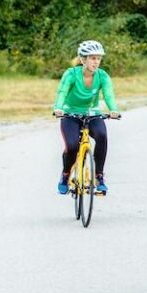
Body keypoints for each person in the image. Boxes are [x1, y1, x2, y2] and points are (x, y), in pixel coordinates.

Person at [52, 40, 121, 195]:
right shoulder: (71, 74)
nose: (96, 62)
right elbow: (62, 91)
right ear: (83, 59)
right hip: (70, 115)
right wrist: (58, 108)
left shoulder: (102, 76)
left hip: (92, 114)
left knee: (102, 135)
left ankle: (99, 176)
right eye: (92, 58)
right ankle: (65, 175)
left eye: (99, 58)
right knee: (72, 146)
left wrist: (113, 110)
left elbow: (109, 95)